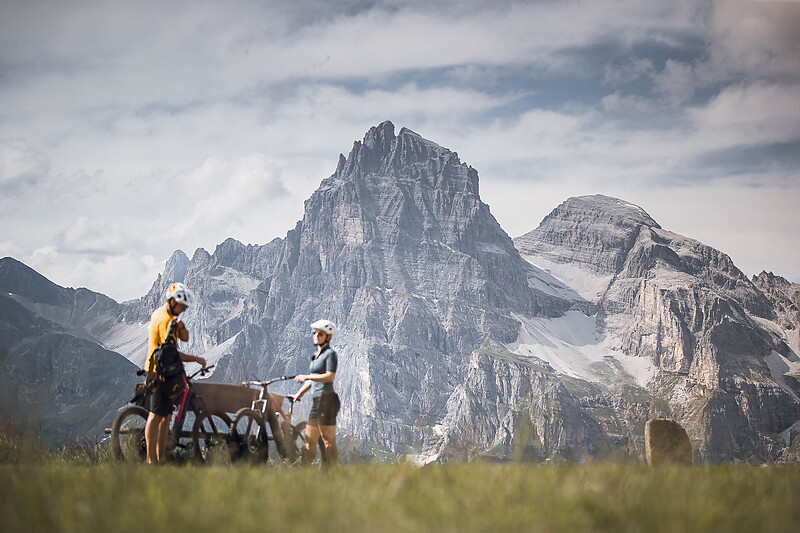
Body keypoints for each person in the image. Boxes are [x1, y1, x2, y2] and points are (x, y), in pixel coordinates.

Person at [144, 282, 206, 464]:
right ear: (172, 301)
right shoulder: (166, 321)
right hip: (160, 373)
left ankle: (161, 458)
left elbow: (185, 338)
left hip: (162, 372)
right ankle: (151, 460)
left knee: (165, 416)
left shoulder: (161, 314)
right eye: (182, 306)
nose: (183, 310)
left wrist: (181, 326)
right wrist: (197, 359)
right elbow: (173, 353)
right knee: (156, 416)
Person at [288, 319, 340, 465]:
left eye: (320, 334)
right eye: (315, 333)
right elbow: (313, 379)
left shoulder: (330, 354)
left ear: (328, 337)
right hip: (317, 401)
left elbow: (329, 376)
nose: (316, 335)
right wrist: (298, 394)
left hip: (327, 400)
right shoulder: (316, 356)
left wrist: (307, 376)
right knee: (309, 441)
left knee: (328, 441)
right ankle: (304, 473)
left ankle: (331, 471)